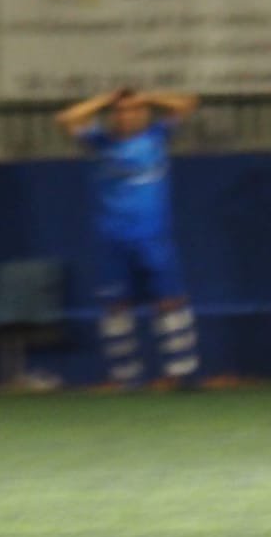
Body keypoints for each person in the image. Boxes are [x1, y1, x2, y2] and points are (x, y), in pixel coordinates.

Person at [56, 86, 201, 387]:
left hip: (154, 238)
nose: (127, 116)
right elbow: (66, 119)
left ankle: (180, 373)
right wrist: (105, 100)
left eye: (134, 110)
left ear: (145, 113)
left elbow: (187, 105)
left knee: (169, 302)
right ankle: (126, 377)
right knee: (116, 307)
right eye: (121, 112)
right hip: (113, 237)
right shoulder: (100, 141)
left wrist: (147, 97)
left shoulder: (157, 136)